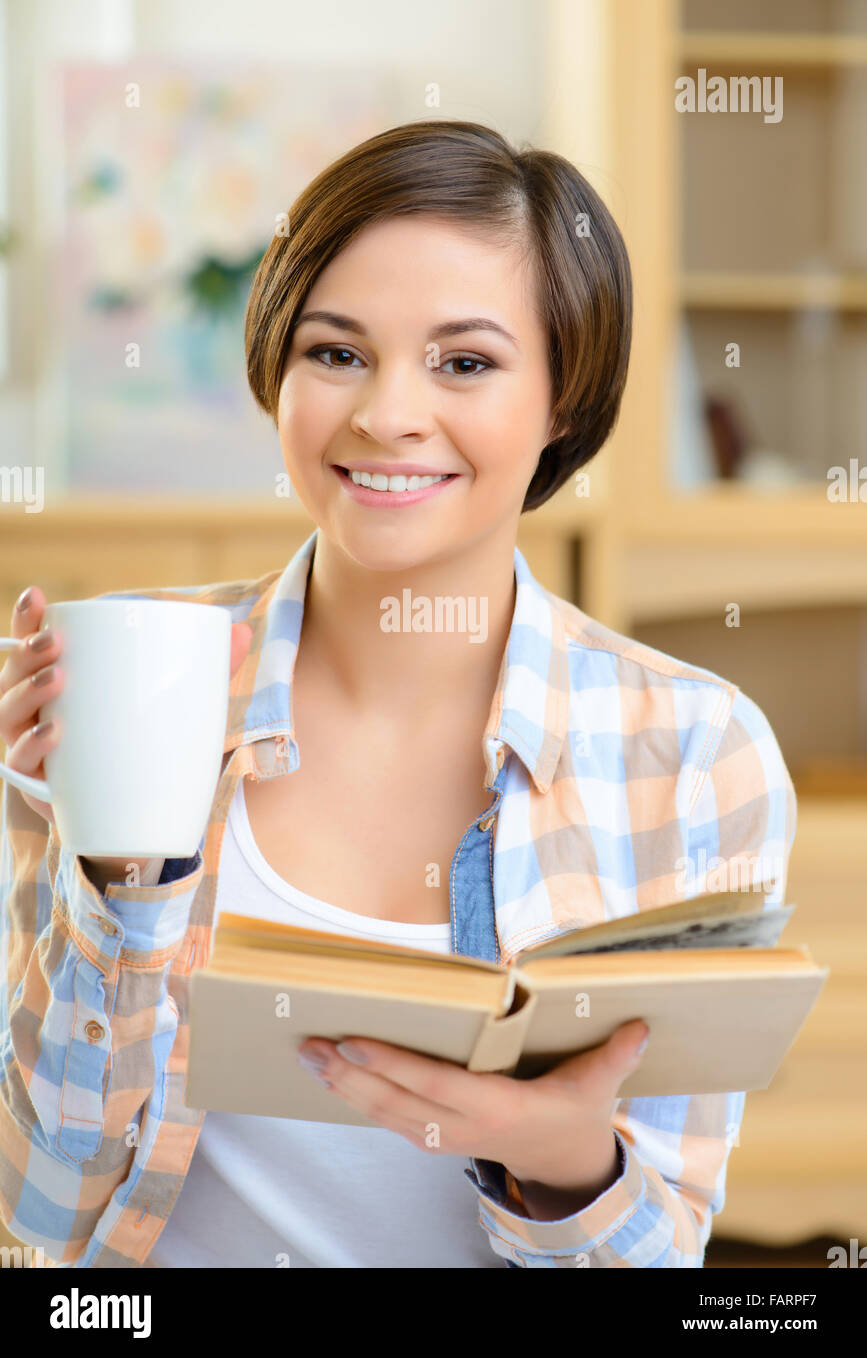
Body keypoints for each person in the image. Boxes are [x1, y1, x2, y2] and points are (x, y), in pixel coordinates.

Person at [0, 119, 795, 1268]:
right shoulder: (119, 677)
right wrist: (116, 877)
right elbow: (39, 1216)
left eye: (464, 362)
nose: (386, 414)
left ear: (565, 397)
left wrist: (569, 1162)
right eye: (337, 352)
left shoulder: (692, 751)